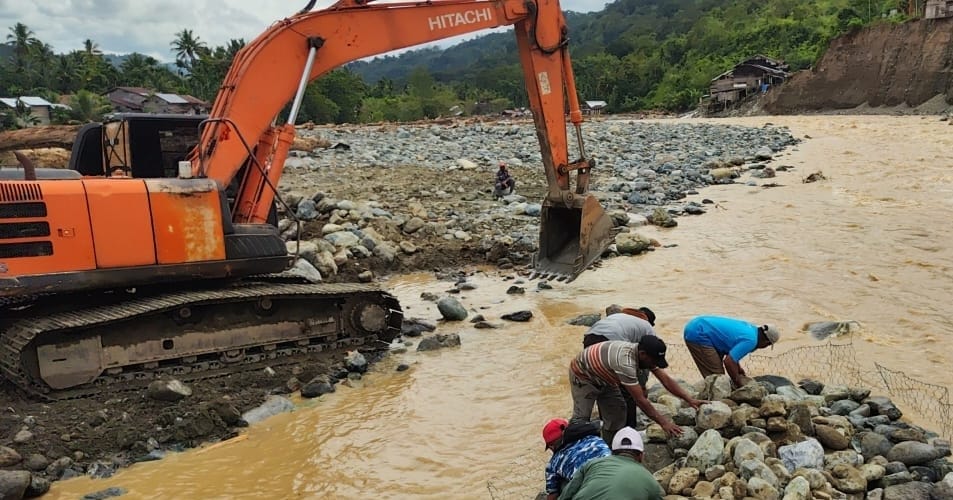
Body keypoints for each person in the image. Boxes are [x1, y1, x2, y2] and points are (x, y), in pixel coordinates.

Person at [582, 307, 702, 429]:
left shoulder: (626, 320)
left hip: (590, 339)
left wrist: (689, 399)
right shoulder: (647, 330)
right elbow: (650, 374)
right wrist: (642, 387)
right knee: (628, 392)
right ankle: (628, 429)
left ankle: (606, 426)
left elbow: (656, 371)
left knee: (604, 385)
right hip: (611, 340)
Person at [568, 337, 691, 442]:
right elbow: (640, 400)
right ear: (643, 354)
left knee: (618, 412)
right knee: (581, 420)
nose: (654, 364)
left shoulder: (643, 354)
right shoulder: (625, 363)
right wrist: (664, 423)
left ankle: (609, 448)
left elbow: (665, 380)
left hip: (605, 376)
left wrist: (689, 399)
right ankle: (570, 451)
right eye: (653, 361)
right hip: (583, 375)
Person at [557, 426, 664, 500]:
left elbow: (567, 494)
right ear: (641, 456)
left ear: (612, 452)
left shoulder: (592, 464)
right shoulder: (650, 481)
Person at [682, 315, 781, 388]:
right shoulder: (751, 341)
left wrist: (738, 368)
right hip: (698, 333)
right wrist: (738, 382)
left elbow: (731, 348)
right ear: (766, 342)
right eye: (767, 345)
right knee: (718, 379)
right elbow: (729, 362)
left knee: (719, 379)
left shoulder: (751, 330)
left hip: (699, 325)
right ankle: (715, 404)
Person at [542, 418, 611, 500]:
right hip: (615, 474)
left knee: (562, 483)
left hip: (592, 491)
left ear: (551, 446)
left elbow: (552, 495)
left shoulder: (553, 464)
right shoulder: (594, 438)